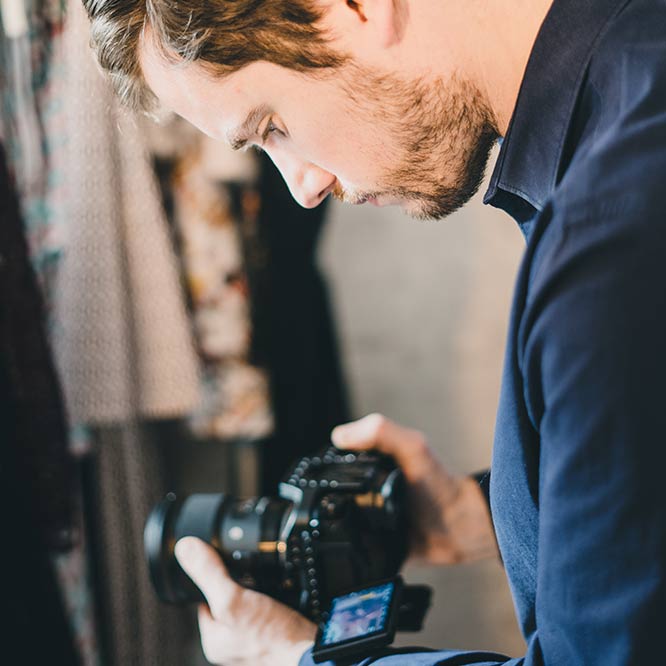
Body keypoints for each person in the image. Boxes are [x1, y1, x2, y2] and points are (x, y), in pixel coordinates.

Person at [81, 0, 666, 663]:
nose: (302, 189)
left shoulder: (607, 241)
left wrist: (291, 655)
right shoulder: (635, 88)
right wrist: (492, 513)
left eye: (271, 127)